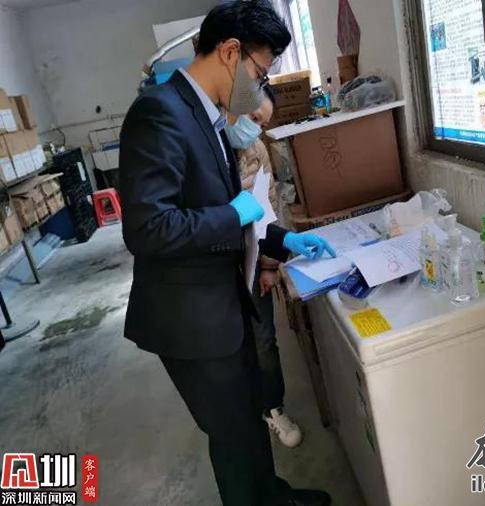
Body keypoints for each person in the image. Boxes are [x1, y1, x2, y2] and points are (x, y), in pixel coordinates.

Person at [118, 1, 335, 505]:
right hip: (190, 318)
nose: (259, 88)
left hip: (222, 304)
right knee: (233, 437)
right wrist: (231, 215)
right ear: (231, 52)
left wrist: (280, 240)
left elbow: (233, 209)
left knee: (248, 419)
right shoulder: (159, 112)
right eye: (260, 73)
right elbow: (147, 229)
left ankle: (272, 496)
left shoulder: (206, 115)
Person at [225, 87, 302, 448]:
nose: (255, 129)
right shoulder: (205, 146)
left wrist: (270, 266)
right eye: (253, 119)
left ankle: (273, 407)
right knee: (230, 345)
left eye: (262, 124)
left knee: (264, 339)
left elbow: (268, 206)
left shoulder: (256, 149)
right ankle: (241, 410)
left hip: (254, 258)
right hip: (217, 269)